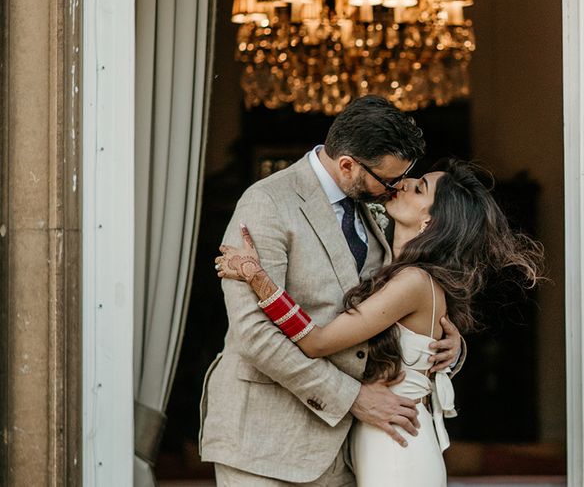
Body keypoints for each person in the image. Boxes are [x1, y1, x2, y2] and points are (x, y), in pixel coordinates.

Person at [216, 159, 542, 487]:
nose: (403, 182)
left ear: (430, 220)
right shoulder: (392, 267)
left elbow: (317, 342)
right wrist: (451, 353)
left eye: (419, 188)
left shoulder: (413, 281)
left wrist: (258, 278)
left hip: (397, 445)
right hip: (374, 441)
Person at [199, 96, 464, 486]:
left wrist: (444, 348)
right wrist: (353, 398)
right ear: (347, 166)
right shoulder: (267, 203)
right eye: (389, 180)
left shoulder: (375, 205)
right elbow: (254, 335)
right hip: (266, 442)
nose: (396, 189)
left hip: (346, 452)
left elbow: (394, 309)